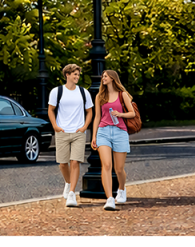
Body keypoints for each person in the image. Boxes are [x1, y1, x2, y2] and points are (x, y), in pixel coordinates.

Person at [48, 63, 92, 208]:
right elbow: (51, 109)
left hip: (78, 133)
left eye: (78, 74)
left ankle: (72, 193)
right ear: (67, 75)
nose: (77, 77)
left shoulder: (83, 92)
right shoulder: (57, 91)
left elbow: (90, 111)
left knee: (75, 162)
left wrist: (84, 127)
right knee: (62, 163)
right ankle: (68, 182)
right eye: (75, 74)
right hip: (62, 132)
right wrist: (55, 126)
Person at [92, 69, 136, 211]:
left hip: (120, 132)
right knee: (106, 165)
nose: (103, 78)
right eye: (103, 76)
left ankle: (121, 190)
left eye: (105, 76)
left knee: (118, 169)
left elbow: (132, 113)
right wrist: (93, 136)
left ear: (112, 78)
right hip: (103, 132)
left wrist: (120, 114)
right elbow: (97, 117)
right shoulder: (100, 96)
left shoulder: (122, 95)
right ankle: (110, 198)